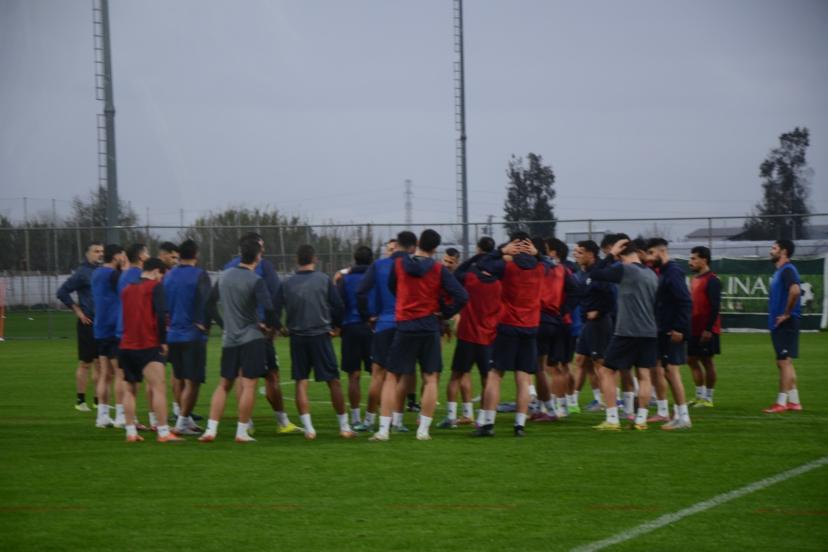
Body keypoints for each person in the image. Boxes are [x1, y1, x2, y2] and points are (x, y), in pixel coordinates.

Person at [372, 229, 468, 441]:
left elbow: (392, 287)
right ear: (435, 248)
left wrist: (405, 301)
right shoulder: (438, 269)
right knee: (430, 378)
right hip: (429, 326)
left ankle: (383, 430)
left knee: (392, 377)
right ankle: (423, 430)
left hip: (405, 325)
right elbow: (461, 295)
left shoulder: (399, 264)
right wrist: (446, 312)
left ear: (417, 243)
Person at [199, 237, 279, 442]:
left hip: (230, 339)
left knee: (224, 385)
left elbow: (209, 304)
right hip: (251, 337)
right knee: (249, 385)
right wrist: (270, 327)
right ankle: (241, 432)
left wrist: (223, 323)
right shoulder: (256, 280)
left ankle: (210, 430)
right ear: (258, 257)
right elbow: (269, 309)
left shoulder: (224, 276)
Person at [473, 232, 545, 438]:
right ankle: (519, 425)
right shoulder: (540, 267)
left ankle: (488, 423)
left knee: (495, 375)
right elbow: (553, 263)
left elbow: (482, 264)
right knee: (523, 377)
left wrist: (501, 251)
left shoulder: (507, 267)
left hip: (508, 326)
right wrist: (538, 254)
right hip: (530, 327)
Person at [224, 233, 297, 434]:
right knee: (271, 374)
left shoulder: (228, 268)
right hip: (259, 331)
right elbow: (275, 296)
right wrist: (275, 326)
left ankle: (246, 423)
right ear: (255, 249)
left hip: (234, 332)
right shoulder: (263, 266)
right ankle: (282, 421)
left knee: (241, 376)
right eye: (261, 246)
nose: (263, 251)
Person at [280, 244, 354, 440]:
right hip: (320, 335)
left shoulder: (287, 283)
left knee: (301, 382)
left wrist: (281, 327)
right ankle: (344, 427)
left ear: (296, 260)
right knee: (333, 381)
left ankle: (309, 429)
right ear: (314, 259)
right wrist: (337, 327)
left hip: (298, 337)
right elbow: (338, 306)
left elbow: (274, 307)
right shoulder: (323, 279)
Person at [590, 238, 658, 430]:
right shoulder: (651, 274)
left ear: (620, 254)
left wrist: (610, 254)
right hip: (649, 331)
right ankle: (641, 420)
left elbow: (595, 273)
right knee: (644, 374)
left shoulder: (625, 269)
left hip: (627, 330)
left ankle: (612, 419)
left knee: (606, 371)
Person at [355, 232, 417, 432]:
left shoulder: (379, 265)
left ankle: (369, 420)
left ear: (396, 246)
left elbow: (361, 292)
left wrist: (368, 316)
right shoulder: (414, 265)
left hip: (384, 324)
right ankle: (397, 421)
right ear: (413, 247)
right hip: (407, 325)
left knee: (378, 375)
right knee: (402, 375)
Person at [439, 237, 500, 429]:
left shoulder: (470, 278)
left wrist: (476, 257)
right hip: (487, 337)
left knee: (456, 375)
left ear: (478, 251)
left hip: (467, 335)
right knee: (487, 379)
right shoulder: (499, 283)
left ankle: (451, 418)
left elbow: (458, 274)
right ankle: (482, 418)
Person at [118, 258, 181, 443]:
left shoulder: (127, 289)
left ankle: (131, 432)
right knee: (158, 387)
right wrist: (163, 341)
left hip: (126, 345)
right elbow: (161, 315)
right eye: (161, 275)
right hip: (148, 344)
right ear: (155, 271)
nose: (161, 279)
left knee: (130, 390)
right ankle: (163, 432)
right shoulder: (155, 287)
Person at [163, 239, 211, 435]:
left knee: (179, 377)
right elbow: (207, 301)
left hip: (173, 334)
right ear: (196, 254)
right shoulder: (200, 274)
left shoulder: (169, 275)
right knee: (193, 381)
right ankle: (182, 423)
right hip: (192, 335)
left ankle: (186, 419)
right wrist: (203, 323)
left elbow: (163, 304)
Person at [648, 238, 692, 430]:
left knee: (672, 372)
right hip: (663, 329)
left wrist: (680, 328)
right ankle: (676, 414)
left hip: (672, 331)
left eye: (651, 253)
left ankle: (683, 417)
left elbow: (685, 301)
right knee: (666, 371)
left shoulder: (673, 272)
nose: (649, 258)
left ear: (662, 251)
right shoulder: (665, 272)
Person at [57, 241, 103, 412]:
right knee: (86, 363)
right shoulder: (82, 273)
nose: (100, 254)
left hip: (102, 323)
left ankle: (99, 401)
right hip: (88, 323)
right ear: (87, 253)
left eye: (101, 251)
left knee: (101, 363)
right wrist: (78, 311)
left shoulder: (102, 271)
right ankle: (80, 401)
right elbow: (62, 292)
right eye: (96, 251)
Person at [763, 239, 803, 413]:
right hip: (780, 323)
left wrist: (786, 314)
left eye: (774, 248)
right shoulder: (781, 271)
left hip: (786, 322)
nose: (771, 251)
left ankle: (781, 403)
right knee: (785, 362)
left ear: (784, 251)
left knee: (783, 362)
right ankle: (794, 402)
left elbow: (795, 290)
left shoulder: (787, 270)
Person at [337, 245, 375, 428]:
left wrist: (338, 325)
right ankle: (371, 418)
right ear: (371, 260)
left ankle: (355, 417)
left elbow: (338, 304)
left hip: (350, 328)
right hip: (372, 328)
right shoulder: (375, 277)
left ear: (355, 259)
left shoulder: (345, 280)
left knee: (354, 375)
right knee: (377, 375)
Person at [90, 244, 126, 428]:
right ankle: (120, 415)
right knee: (120, 373)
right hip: (114, 328)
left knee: (105, 374)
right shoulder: (115, 275)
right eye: (122, 255)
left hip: (100, 328)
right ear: (116, 256)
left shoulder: (96, 273)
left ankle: (102, 416)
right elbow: (127, 291)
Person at [116, 243, 150, 429]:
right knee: (134, 381)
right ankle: (128, 418)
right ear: (141, 256)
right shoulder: (138, 276)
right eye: (147, 252)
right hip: (134, 332)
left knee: (128, 378)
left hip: (123, 329)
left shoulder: (124, 275)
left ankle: (126, 417)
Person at [687, 246, 721, 407]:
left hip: (707, 329)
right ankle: (699, 396)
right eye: (690, 258)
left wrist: (708, 329)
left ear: (704, 260)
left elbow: (715, 307)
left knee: (707, 361)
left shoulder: (712, 280)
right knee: (691, 360)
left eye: (694, 258)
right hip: (693, 328)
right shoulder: (694, 279)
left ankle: (708, 398)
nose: (690, 262)